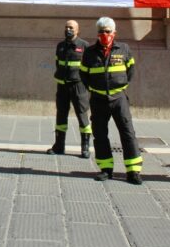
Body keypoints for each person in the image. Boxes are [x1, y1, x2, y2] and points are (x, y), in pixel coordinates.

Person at [79, 17, 142, 184]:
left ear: (114, 33)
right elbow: (83, 74)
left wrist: (119, 85)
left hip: (118, 98)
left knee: (128, 133)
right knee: (100, 134)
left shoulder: (124, 49)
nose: (104, 34)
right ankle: (106, 169)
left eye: (107, 31)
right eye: (101, 32)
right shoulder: (90, 52)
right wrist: (93, 89)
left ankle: (133, 171)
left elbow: (130, 70)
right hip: (98, 99)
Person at [48, 20, 92, 158]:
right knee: (61, 115)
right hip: (62, 86)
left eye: (71, 28)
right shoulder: (60, 46)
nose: (68, 30)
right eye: (66, 27)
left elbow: (89, 68)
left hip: (78, 86)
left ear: (77, 30)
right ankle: (59, 146)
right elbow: (58, 63)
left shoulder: (84, 46)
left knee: (82, 115)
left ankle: (85, 149)